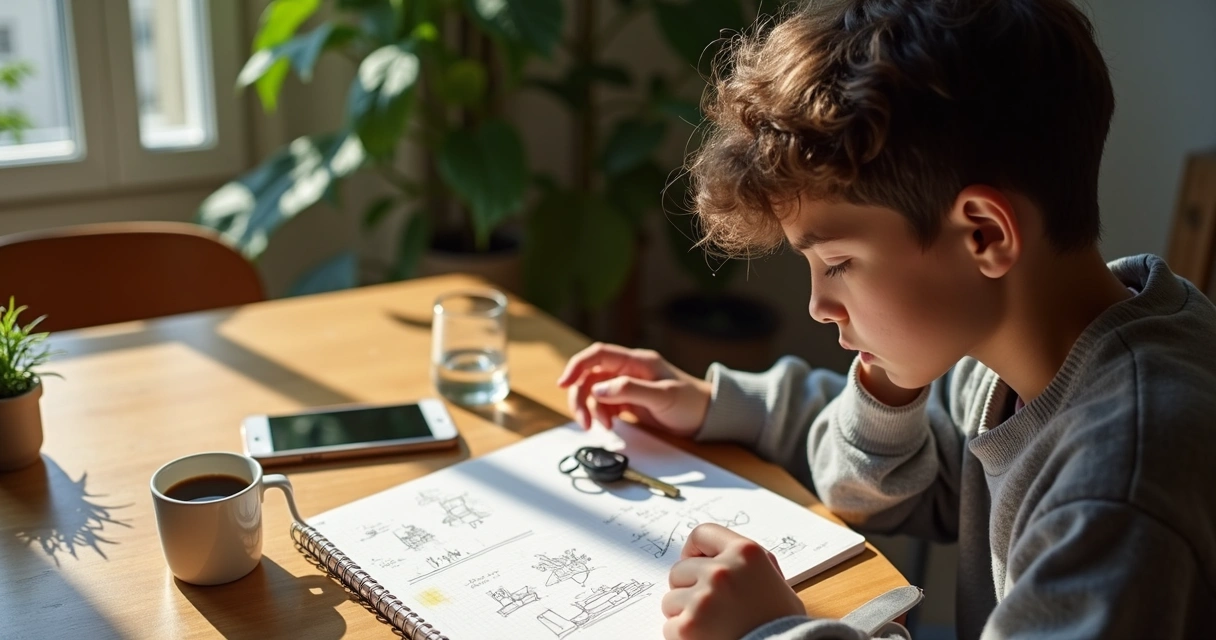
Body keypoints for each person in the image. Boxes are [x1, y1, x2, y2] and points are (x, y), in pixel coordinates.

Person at [557, 0, 1216, 638]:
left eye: (838, 263)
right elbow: (876, 488)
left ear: (984, 235)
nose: (818, 305)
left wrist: (777, 631)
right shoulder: (1016, 352)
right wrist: (721, 405)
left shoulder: (1120, 489)